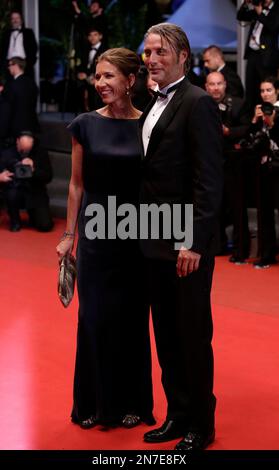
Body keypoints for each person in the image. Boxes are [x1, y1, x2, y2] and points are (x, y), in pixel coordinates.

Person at [56, 48, 154, 429]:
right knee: (94, 318)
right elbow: (76, 184)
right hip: (96, 236)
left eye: (109, 76)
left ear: (131, 81)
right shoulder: (84, 124)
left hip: (137, 236)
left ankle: (132, 403)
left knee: (131, 320)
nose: (100, 84)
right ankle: (93, 404)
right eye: (97, 77)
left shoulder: (148, 125)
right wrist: (69, 236)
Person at [139, 23, 223, 450]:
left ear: (184, 55)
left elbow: (208, 182)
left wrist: (192, 241)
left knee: (191, 333)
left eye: (160, 51)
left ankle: (200, 424)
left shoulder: (198, 103)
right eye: (148, 51)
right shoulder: (148, 102)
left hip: (185, 244)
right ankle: (176, 413)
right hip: (152, 238)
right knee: (166, 334)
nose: (151, 59)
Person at [231, 76, 279, 267]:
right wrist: (254, 120)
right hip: (263, 168)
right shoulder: (259, 111)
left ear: (277, 91)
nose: (265, 94)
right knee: (264, 213)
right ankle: (266, 255)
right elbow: (250, 138)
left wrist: (273, 123)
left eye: (268, 90)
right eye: (262, 91)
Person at [0, 130, 53, 232]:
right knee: (12, 194)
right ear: (17, 142)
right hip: (15, 189)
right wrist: (1, 177)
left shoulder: (40, 153)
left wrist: (33, 170)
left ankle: (33, 215)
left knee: (45, 225)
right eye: (23, 149)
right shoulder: (7, 154)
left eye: (28, 150)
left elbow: (48, 177)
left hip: (35, 191)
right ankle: (15, 221)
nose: (25, 152)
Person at [237, 0, 279, 111]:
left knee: (266, 88)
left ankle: (268, 113)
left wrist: (260, 13)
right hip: (253, 54)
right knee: (251, 88)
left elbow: (274, 26)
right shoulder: (258, 7)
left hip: (267, 57)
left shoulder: (276, 9)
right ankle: (251, 116)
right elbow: (241, 16)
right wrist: (246, 3)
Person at [4, 57, 39, 140]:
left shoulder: (12, 85)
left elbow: (8, 108)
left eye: (10, 65)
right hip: (31, 125)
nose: (8, 67)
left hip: (15, 128)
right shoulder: (32, 83)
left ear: (16, 65)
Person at [0, 10, 38, 78]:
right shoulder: (6, 34)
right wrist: (4, 64)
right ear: (11, 21)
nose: (15, 20)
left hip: (24, 65)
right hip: (10, 65)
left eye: (17, 18)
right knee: (11, 86)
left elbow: (34, 48)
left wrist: (30, 62)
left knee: (26, 86)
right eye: (13, 18)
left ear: (21, 20)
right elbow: (2, 49)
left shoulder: (28, 32)